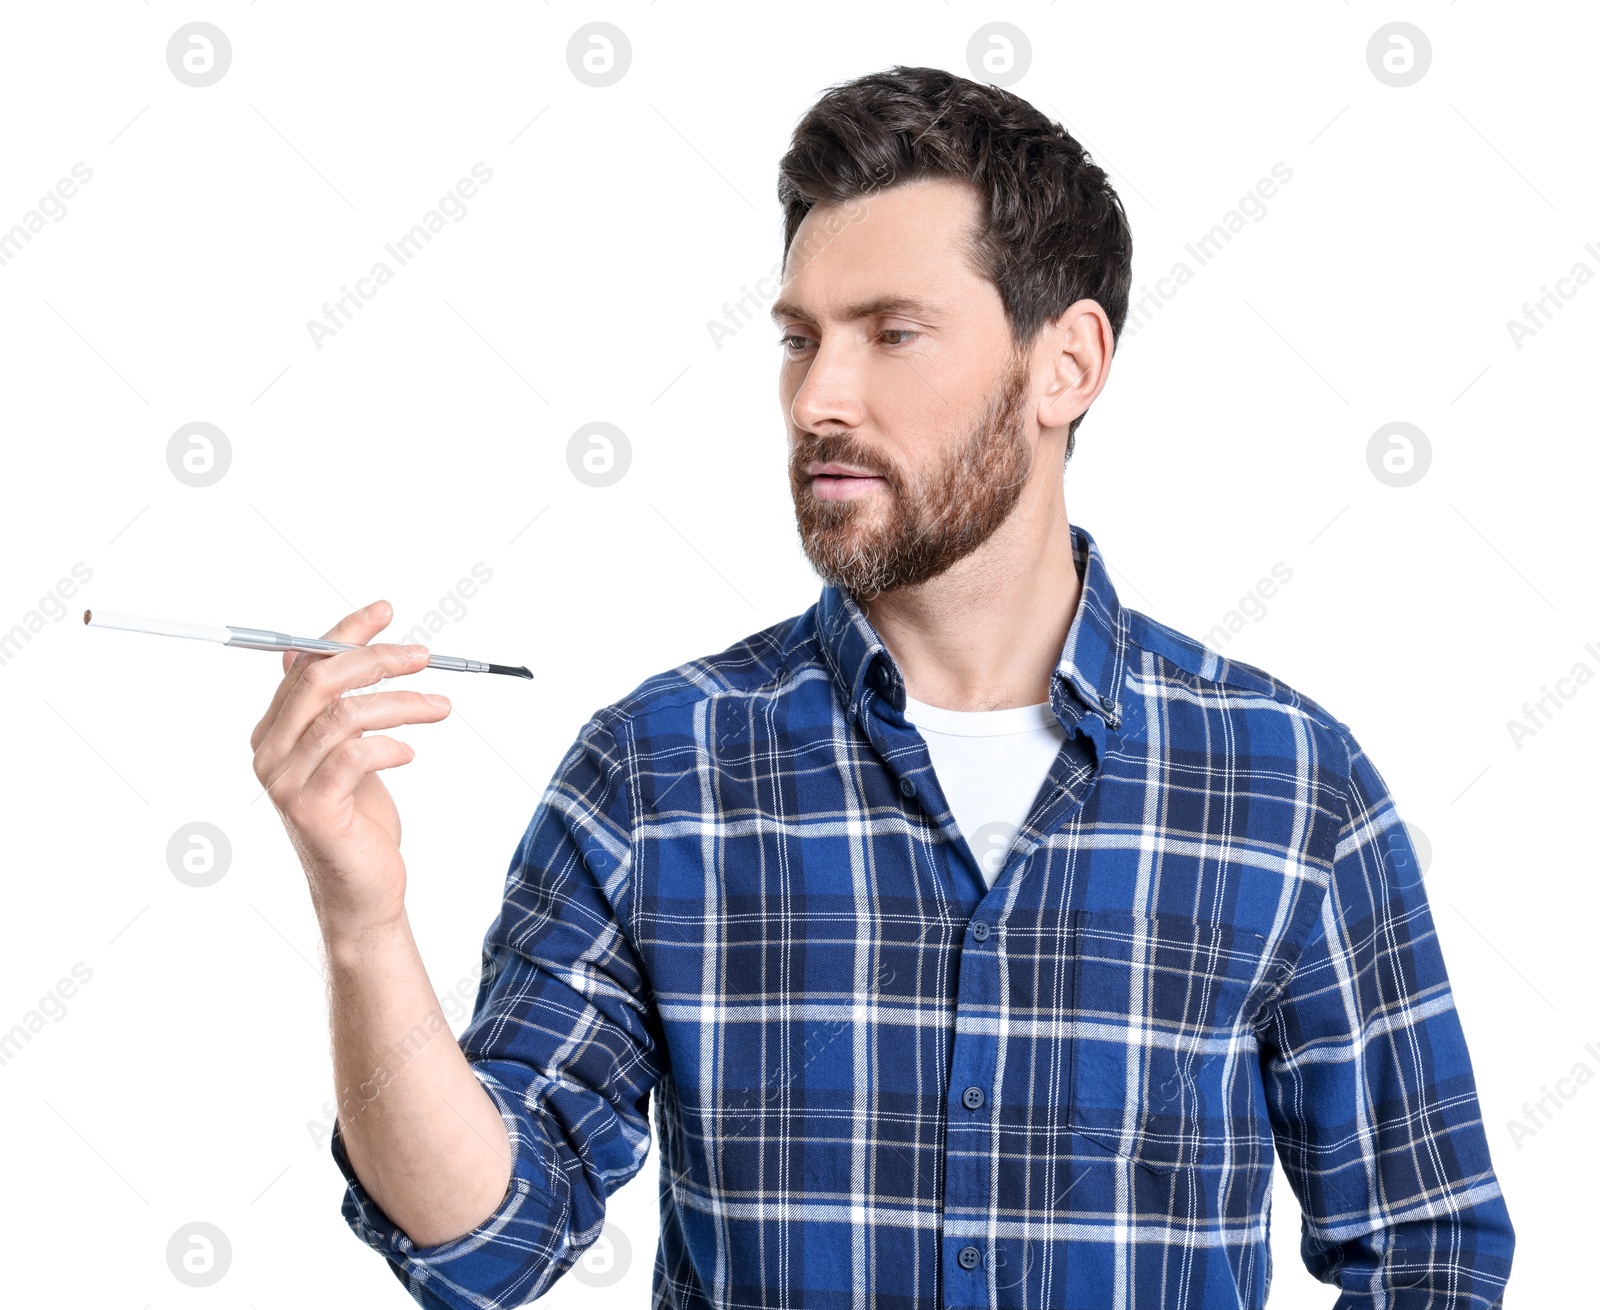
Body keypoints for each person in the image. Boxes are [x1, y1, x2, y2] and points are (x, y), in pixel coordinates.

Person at [250, 65, 1514, 1309]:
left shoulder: (1285, 780)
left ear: (1065, 364)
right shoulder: (659, 767)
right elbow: (486, 1242)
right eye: (798, 340)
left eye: (891, 333)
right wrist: (362, 920)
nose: (817, 399)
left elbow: (1427, 1251)